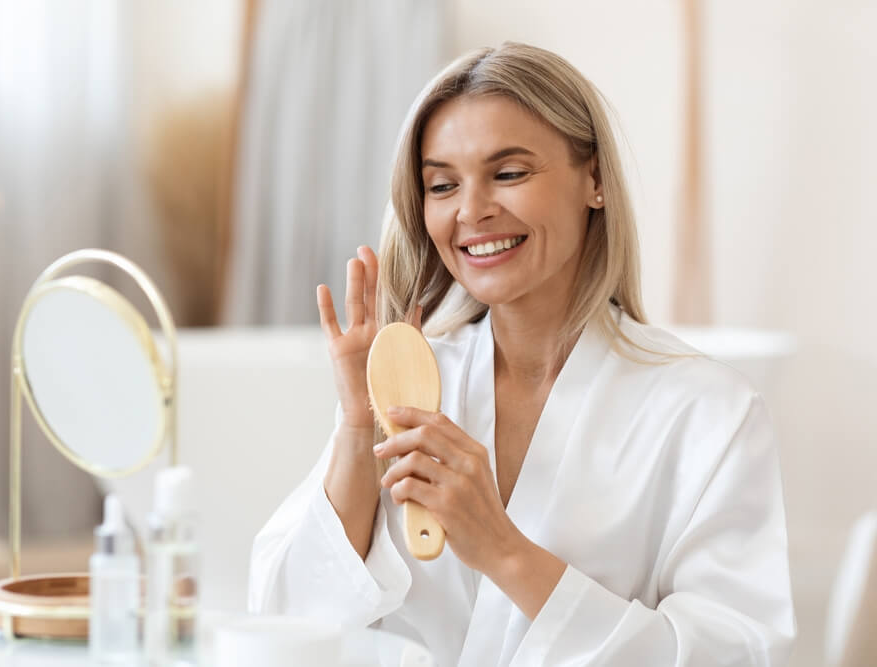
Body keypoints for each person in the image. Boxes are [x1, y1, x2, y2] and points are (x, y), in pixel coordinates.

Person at [248, 42, 796, 666]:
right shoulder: (420, 381)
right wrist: (356, 425)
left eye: (508, 173)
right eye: (442, 184)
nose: (472, 210)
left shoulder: (708, 411)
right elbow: (284, 626)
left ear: (594, 179)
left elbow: (738, 657)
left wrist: (504, 549)